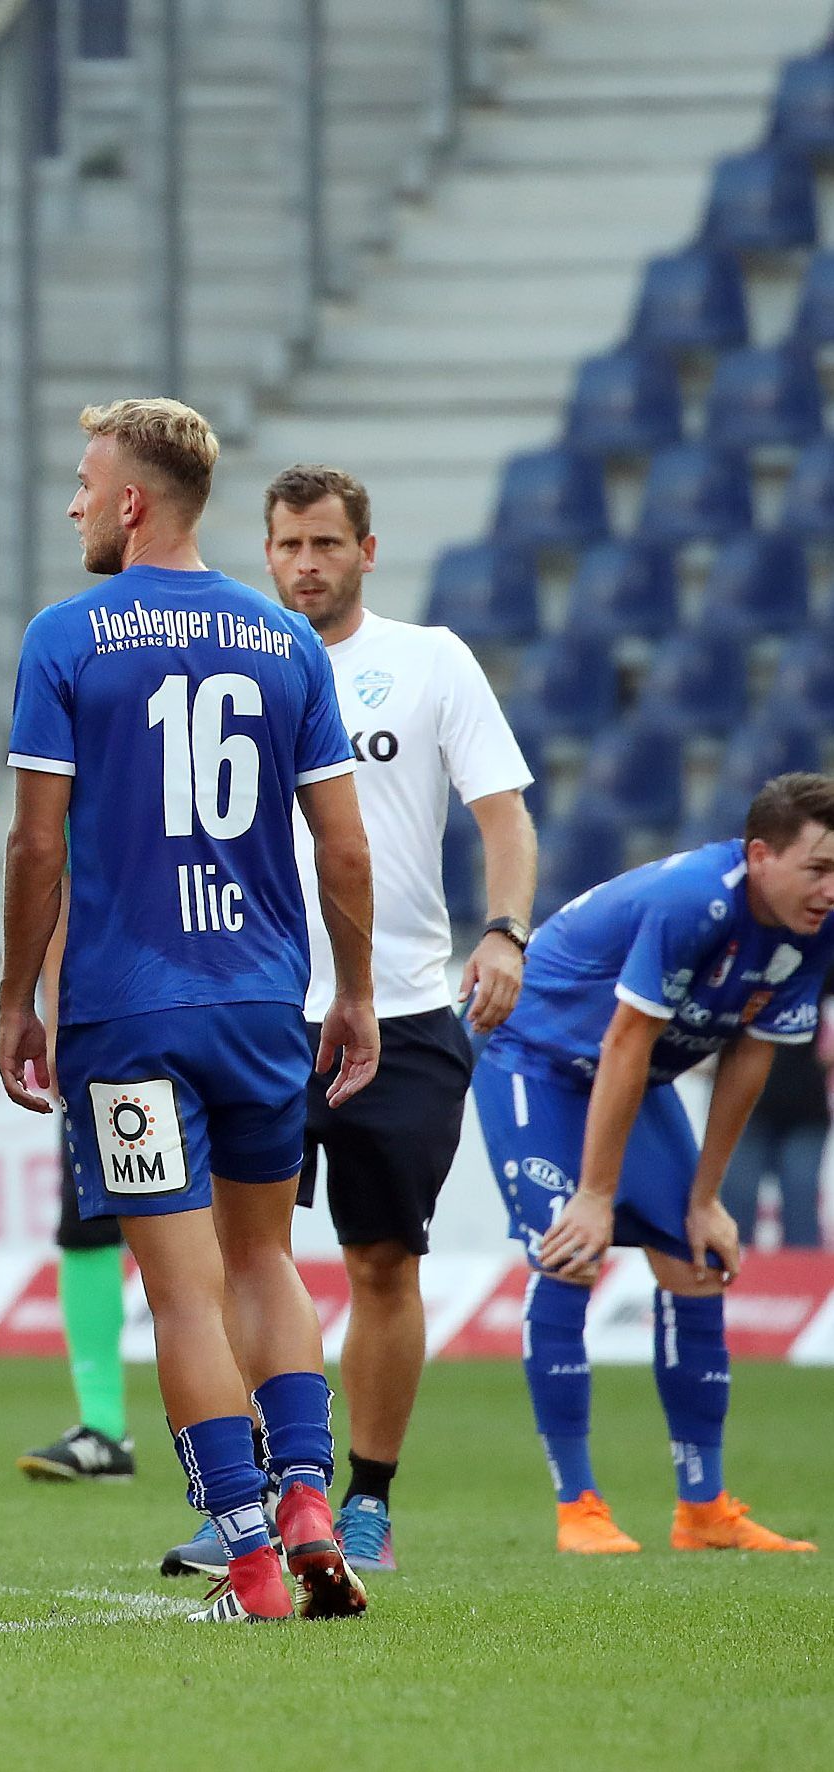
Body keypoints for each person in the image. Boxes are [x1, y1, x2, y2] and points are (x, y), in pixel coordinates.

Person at [0, 399, 378, 1625]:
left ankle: (252, 1557)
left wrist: (18, 993)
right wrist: (354, 991)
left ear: (126, 501)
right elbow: (343, 848)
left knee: (179, 1288)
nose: (69, 502)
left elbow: (35, 842)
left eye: (80, 480)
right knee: (265, 1255)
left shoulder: (68, 637)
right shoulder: (286, 641)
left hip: (125, 1012)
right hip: (260, 997)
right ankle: (310, 1490)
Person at [167, 464, 535, 1576]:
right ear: (264, 550)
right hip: (253, 1006)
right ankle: (266, 1495)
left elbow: (501, 815)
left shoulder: (429, 662)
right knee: (244, 1256)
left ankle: (365, 1496)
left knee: (382, 1260)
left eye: (326, 544)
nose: (305, 565)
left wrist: (505, 928)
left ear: (364, 552)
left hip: (406, 1007)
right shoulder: (230, 666)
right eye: (286, 545)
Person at [473, 773, 831, 1555]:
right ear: (760, 854)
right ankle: (580, 1510)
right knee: (572, 1251)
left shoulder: (816, 928)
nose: (830, 889)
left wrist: (708, 1197)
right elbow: (625, 1041)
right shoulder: (694, 901)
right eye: (819, 868)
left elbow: (751, 1057)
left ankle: (702, 1511)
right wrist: (596, 1195)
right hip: (537, 1063)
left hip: (633, 1080)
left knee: (698, 1262)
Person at [15, 899, 134, 1483]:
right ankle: (104, 1427)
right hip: (112, 1018)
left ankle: (254, 1443)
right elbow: (60, 886)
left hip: (210, 1005)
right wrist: (58, 1019)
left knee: (227, 1232)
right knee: (88, 1222)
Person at [720, 961, 831, 1248]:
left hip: (805, 1109)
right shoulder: (744, 950)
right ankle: (727, 1277)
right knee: (735, 1203)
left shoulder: (818, 955)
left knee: (800, 1205)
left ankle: (805, 1282)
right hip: (746, 1108)